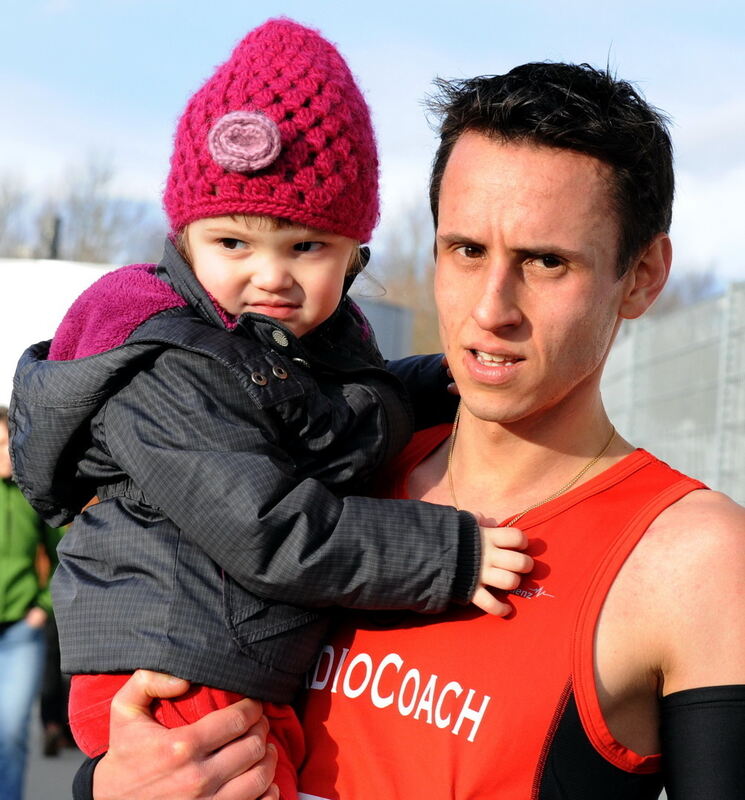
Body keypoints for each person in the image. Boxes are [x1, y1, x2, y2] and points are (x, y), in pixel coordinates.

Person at [77, 61, 745, 799]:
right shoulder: (318, 469)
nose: (491, 309)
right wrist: (107, 786)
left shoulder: (692, 559)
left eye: (545, 262)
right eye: (466, 250)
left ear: (643, 274)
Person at [8, 19, 531, 800]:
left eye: (305, 247)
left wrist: (443, 377)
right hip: (176, 665)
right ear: (185, 240)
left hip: (231, 650)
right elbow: (266, 527)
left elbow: (339, 406)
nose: (270, 276)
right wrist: (442, 556)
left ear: (354, 250)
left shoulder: (297, 344)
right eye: (233, 243)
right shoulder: (166, 366)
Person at [0, 406, 66, 799]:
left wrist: (42, 606)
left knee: (10, 732)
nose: (7, 451)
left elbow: (64, 558)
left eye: (11, 442)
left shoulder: (32, 495)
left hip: (22, 633)